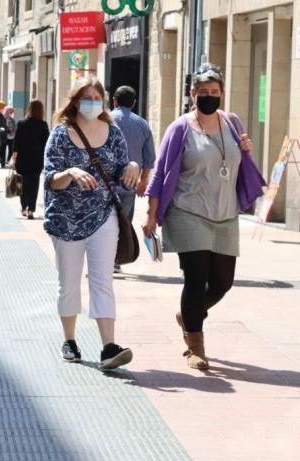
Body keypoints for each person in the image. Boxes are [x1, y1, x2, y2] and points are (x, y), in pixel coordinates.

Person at [143, 64, 263, 370]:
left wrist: (246, 150)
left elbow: (237, 163)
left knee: (223, 282)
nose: (209, 97)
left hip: (225, 213)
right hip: (188, 212)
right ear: (192, 93)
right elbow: (160, 174)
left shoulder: (232, 123)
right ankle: (195, 345)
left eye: (215, 92)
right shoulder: (180, 128)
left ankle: (189, 314)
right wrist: (151, 215)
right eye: (203, 92)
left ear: (222, 93)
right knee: (196, 280)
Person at [43, 76, 139, 371]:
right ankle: (69, 340)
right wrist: (70, 171)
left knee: (103, 281)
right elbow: (49, 179)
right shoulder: (61, 133)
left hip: (103, 217)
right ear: (75, 101)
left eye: (97, 98)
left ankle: (109, 347)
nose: (92, 104)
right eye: (87, 98)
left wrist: (132, 167)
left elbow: (123, 166)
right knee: (69, 284)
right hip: (65, 221)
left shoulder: (113, 132)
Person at [110, 85, 156, 273]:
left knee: (103, 222)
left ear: (114, 100)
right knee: (123, 222)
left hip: (105, 183)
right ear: (134, 103)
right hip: (129, 184)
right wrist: (143, 181)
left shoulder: (104, 120)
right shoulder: (142, 124)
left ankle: (103, 259)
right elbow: (149, 157)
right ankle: (116, 260)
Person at [11, 99, 49, 220]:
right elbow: (46, 144)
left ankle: (23, 207)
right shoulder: (43, 125)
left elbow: (16, 143)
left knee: (23, 184)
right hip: (37, 160)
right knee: (34, 184)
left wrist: (14, 158)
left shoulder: (22, 124)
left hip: (23, 159)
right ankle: (31, 209)